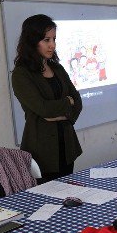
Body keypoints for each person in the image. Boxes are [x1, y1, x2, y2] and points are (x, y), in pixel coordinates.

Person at [12, 14, 83, 183]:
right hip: (42, 151)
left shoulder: (57, 68)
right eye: (46, 40)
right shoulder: (21, 74)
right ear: (32, 41)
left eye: (54, 39)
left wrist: (61, 112)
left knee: (69, 194)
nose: (52, 45)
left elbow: (78, 102)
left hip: (67, 146)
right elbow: (43, 109)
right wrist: (67, 104)